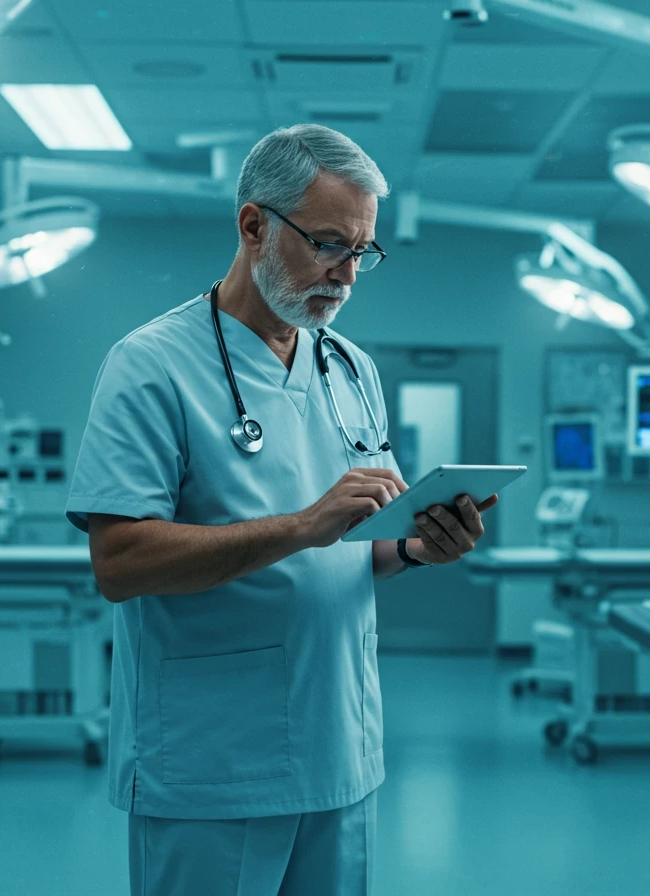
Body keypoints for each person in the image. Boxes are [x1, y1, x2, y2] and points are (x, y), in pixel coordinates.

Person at [65, 124, 498, 896]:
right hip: (211, 761)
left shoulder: (349, 365)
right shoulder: (150, 366)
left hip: (342, 750)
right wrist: (302, 527)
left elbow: (365, 540)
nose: (348, 273)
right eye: (330, 243)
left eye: (362, 251)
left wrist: (419, 547)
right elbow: (119, 563)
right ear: (254, 225)